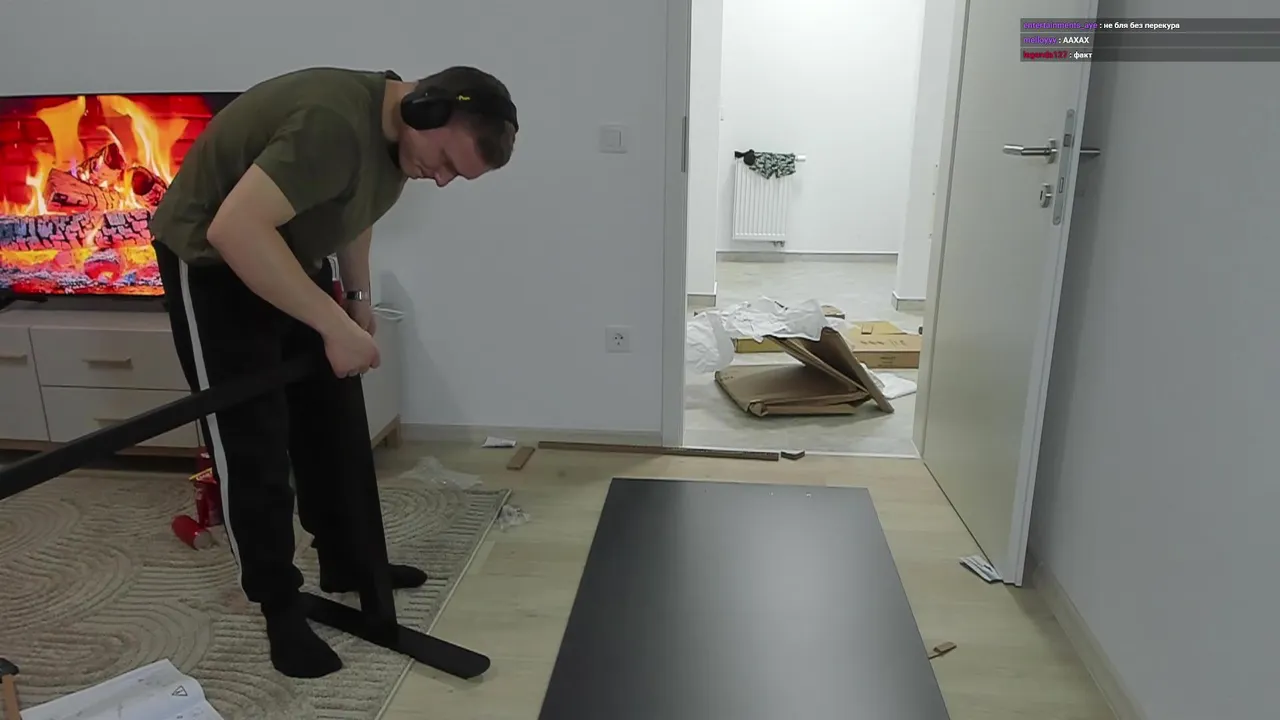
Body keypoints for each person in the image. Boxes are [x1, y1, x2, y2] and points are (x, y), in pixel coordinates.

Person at [147, 66, 517, 678]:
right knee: (252, 442)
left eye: (457, 175)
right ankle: (278, 605)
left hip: (285, 249)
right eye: (447, 163)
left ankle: (345, 561)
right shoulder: (332, 124)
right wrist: (334, 329)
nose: (442, 180)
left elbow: (354, 209)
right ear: (425, 111)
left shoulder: (398, 140)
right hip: (213, 260)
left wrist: (355, 297)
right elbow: (233, 228)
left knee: (332, 420)